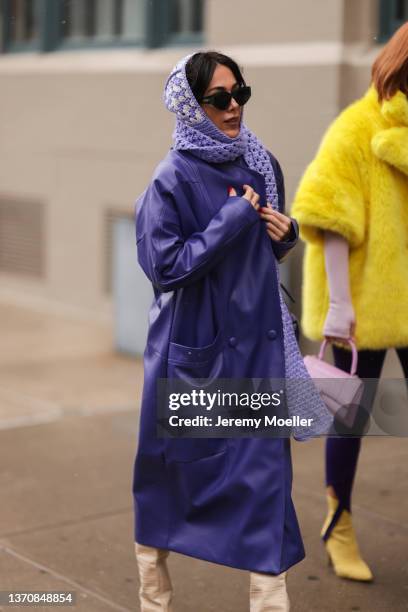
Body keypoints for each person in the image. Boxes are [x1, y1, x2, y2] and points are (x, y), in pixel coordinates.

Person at [132, 51, 331, 611]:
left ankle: (270, 603)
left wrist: (283, 234)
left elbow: (260, 257)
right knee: (171, 483)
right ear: (191, 106)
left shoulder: (260, 162)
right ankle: (154, 591)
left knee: (266, 485)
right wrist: (232, 220)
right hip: (197, 354)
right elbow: (165, 268)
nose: (233, 107)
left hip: (260, 354)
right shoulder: (170, 178)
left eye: (240, 93)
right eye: (219, 98)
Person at [291, 23, 408, 582]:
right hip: (363, 304)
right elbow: (327, 216)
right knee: (350, 417)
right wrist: (339, 305)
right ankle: (338, 524)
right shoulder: (357, 126)